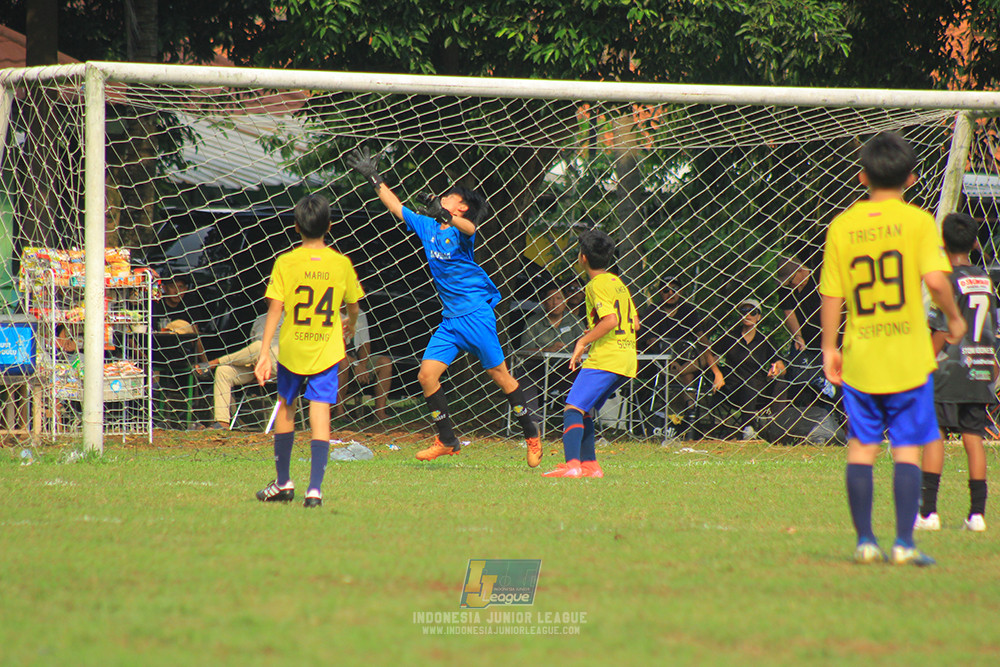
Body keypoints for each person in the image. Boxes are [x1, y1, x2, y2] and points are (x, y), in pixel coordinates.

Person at [819, 131, 965, 566]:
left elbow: (832, 295)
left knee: (862, 447)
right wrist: (955, 319)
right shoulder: (919, 222)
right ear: (913, 178)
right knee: (907, 448)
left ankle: (865, 542)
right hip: (908, 356)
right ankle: (903, 544)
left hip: (862, 355)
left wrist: (829, 347)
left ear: (862, 177)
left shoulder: (842, 226)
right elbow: (937, 282)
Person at [346, 145, 542, 466]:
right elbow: (396, 206)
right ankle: (447, 439)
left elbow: (472, 228)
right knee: (426, 376)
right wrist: (374, 178)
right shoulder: (428, 226)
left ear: (460, 206)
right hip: (450, 322)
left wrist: (445, 213)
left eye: (449, 197)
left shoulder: (461, 231)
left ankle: (531, 436)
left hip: (476, 316)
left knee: (503, 378)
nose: (443, 197)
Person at [253, 194, 363, 509]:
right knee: (320, 412)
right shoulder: (341, 263)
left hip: (292, 349)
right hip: (326, 350)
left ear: (296, 226)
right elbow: (353, 306)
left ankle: (284, 481)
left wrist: (264, 352)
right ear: (330, 226)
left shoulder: (285, 262)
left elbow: (275, 309)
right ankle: (314, 490)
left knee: (286, 408)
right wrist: (350, 323)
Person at [916, 213, 994, 533]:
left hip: (949, 369)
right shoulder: (986, 280)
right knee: (973, 439)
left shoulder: (945, 281)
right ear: (975, 243)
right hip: (980, 368)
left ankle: (929, 513)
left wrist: (924, 363)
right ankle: (977, 515)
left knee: (935, 436)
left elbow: (943, 330)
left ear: (942, 243)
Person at [543, 229, 638, 478]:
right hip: (627, 358)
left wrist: (582, 341)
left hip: (607, 357)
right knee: (584, 409)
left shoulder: (594, 285)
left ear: (582, 257)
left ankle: (571, 464)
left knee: (572, 408)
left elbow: (611, 320)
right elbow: (634, 323)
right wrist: (597, 328)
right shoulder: (617, 283)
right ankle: (590, 466)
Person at [638, 276, 724, 430]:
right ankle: (690, 416)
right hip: (661, 360)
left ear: (681, 291)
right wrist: (670, 361)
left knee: (710, 355)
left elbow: (701, 338)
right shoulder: (653, 311)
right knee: (687, 375)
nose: (670, 293)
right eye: (666, 290)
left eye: (675, 289)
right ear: (660, 293)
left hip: (685, 359)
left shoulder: (688, 310)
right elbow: (651, 341)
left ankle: (688, 415)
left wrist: (715, 371)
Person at [192, 312, 282, 430]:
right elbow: (251, 343)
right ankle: (222, 422)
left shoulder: (290, 317)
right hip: (256, 365)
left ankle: (214, 362)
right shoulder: (260, 319)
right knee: (223, 371)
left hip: (280, 365)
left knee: (260, 346)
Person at [711, 298, 786, 439]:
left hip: (759, 388)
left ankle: (777, 425)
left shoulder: (765, 340)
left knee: (781, 382)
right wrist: (717, 373)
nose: (748, 315)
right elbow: (708, 353)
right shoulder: (730, 337)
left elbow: (781, 363)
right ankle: (748, 428)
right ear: (739, 315)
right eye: (744, 311)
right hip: (734, 388)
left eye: (753, 312)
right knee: (749, 383)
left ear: (759, 317)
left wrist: (777, 370)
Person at [518, 283, 585, 421]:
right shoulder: (533, 321)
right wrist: (546, 349)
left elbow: (587, 344)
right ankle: (532, 424)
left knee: (585, 376)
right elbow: (524, 350)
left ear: (565, 301)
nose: (555, 303)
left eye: (559, 298)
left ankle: (577, 421)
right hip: (539, 367)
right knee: (524, 375)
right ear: (543, 302)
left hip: (567, 368)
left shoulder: (575, 321)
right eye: (550, 299)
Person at [334, 306, 394, 423]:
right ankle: (339, 412)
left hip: (355, 360)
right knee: (343, 362)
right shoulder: (329, 312)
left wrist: (362, 365)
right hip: (335, 360)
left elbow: (365, 344)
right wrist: (356, 365)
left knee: (384, 363)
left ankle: (380, 413)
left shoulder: (359, 313)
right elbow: (331, 348)